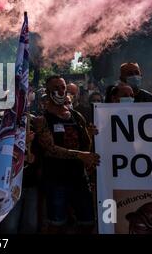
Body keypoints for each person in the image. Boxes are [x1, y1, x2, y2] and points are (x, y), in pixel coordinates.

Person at [35, 75, 100, 234]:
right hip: (56, 179)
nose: (60, 91)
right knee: (56, 224)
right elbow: (50, 148)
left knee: (88, 222)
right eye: (56, 88)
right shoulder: (42, 119)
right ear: (48, 91)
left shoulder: (76, 116)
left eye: (63, 87)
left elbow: (86, 146)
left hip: (79, 178)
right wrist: (80, 155)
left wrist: (91, 136)